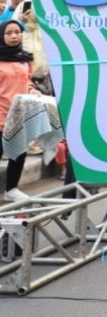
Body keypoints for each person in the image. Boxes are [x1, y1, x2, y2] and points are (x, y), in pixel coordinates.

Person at [0, 20, 39, 201]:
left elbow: (27, 81)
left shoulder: (24, 58)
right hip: (1, 115)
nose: (14, 36)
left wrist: (33, 90)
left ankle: (11, 190)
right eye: (9, 33)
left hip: (19, 116)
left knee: (19, 153)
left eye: (17, 32)